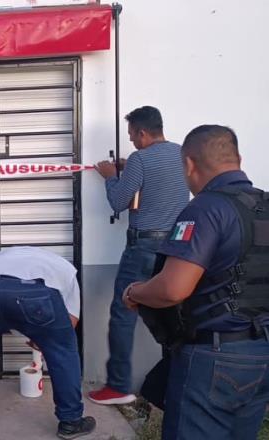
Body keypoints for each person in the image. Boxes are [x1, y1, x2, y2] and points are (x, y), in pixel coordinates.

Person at [123, 125, 269, 439]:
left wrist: (135, 291)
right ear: (239, 158)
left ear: (188, 164)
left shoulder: (205, 209)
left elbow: (173, 289)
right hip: (261, 352)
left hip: (214, 357)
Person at [89, 106, 189, 405]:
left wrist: (109, 176)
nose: (131, 141)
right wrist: (131, 169)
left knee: (124, 311)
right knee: (173, 314)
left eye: (132, 135)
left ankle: (118, 387)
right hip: (176, 246)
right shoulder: (183, 154)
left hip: (143, 246)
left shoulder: (140, 159)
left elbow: (120, 202)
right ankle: (176, 383)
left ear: (143, 133)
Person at [0, 246, 96, 439]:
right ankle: (71, 421)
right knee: (64, 351)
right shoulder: (67, 271)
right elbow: (70, 321)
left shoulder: (0, 258)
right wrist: (45, 340)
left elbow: (2, 298)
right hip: (32, 292)